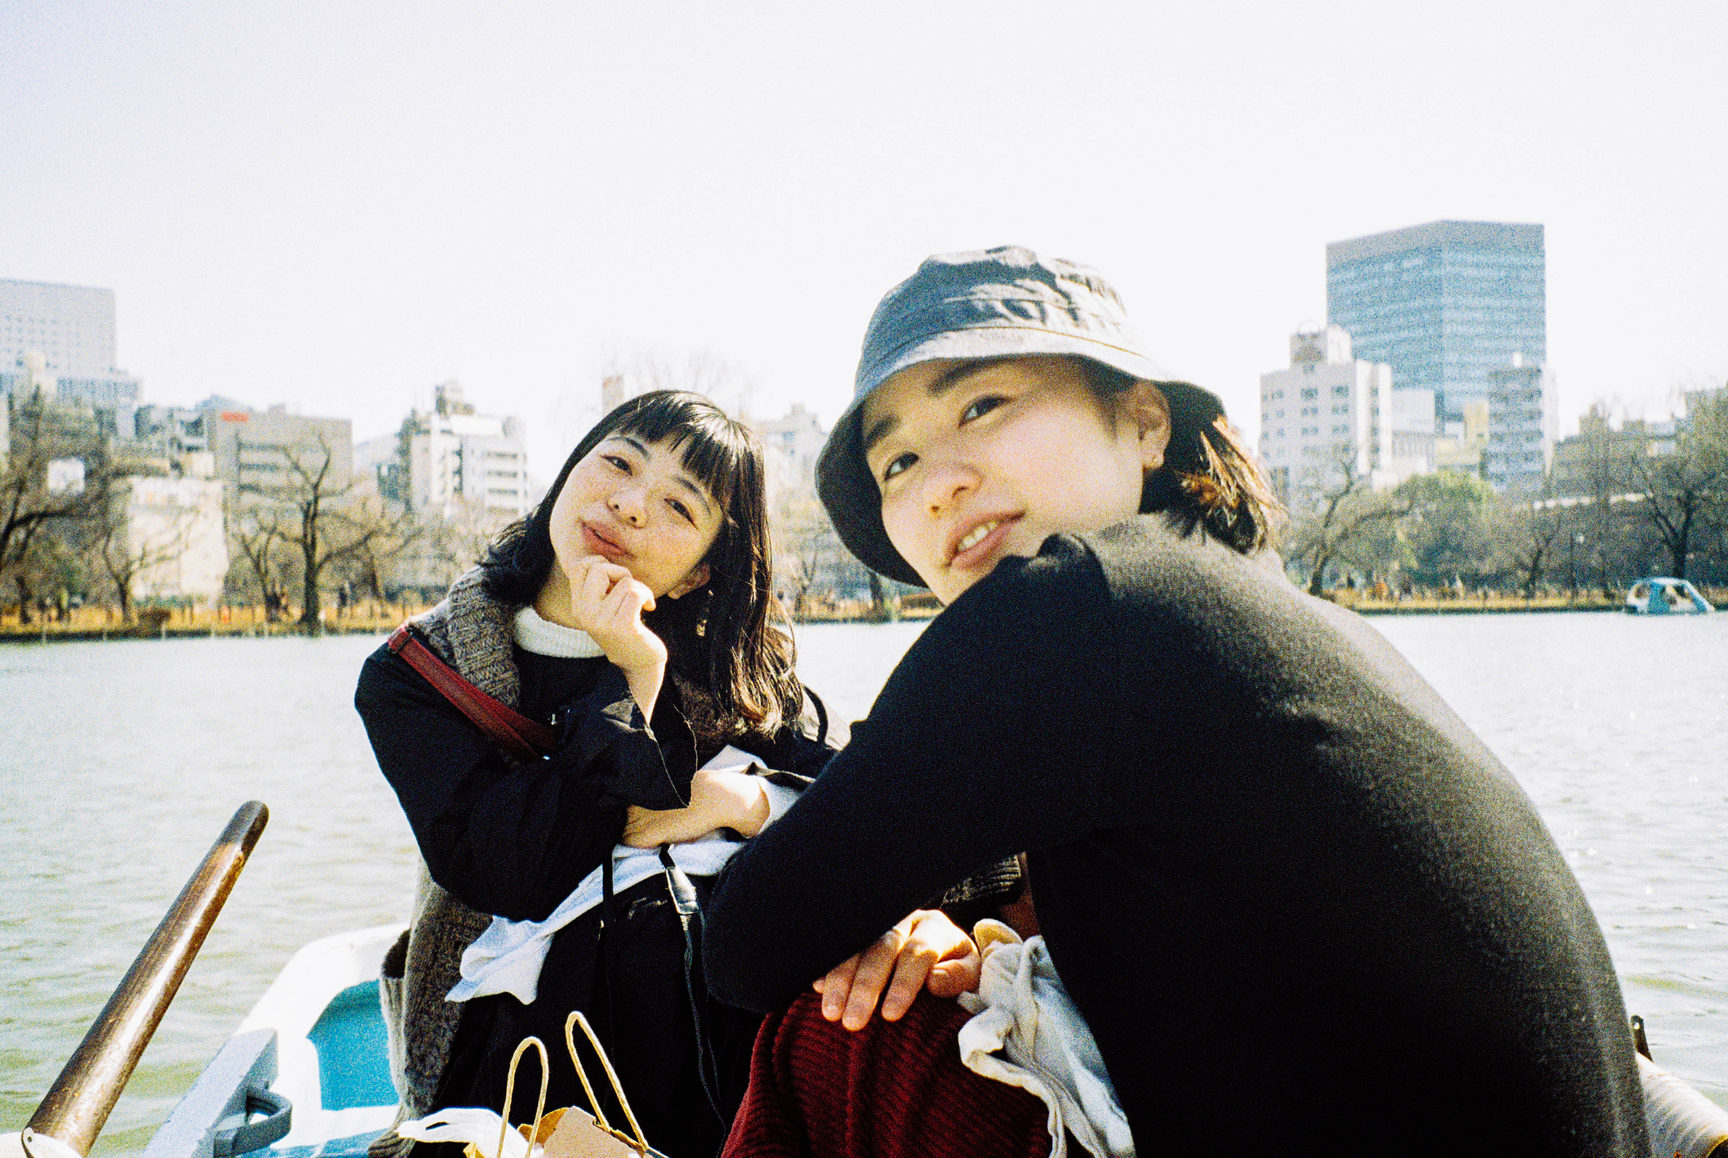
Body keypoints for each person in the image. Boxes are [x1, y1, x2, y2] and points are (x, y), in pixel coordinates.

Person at [703, 247, 1650, 1156]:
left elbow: (741, 947)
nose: (940, 482)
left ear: (1145, 422)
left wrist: (881, 900)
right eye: (896, 465)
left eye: (984, 405)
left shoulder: (1073, 607)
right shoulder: (1245, 599)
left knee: (827, 1038)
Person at [356, 391, 843, 1158]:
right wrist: (633, 677)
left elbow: (867, 806)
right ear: (566, 473)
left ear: (695, 576)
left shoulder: (733, 668)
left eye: (679, 507)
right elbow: (516, 869)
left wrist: (737, 800)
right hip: (517, 1049)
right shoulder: (422, 673)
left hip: (715, 1036)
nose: (629, 504)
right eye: (617, 462)